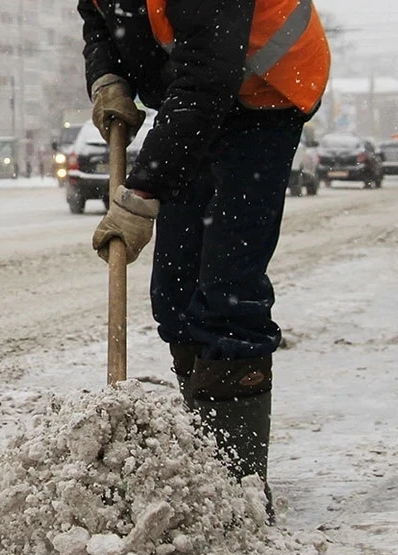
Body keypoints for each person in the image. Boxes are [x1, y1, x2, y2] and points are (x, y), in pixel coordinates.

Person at [79, 0, 331, 521]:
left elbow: (206, 79)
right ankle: (204, 467)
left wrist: (142, 194)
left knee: (227, 293)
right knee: (174, 296)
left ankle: (237, 497)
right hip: (196, 94)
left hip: (266, 94)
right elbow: (98, 16)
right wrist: (107, 77)